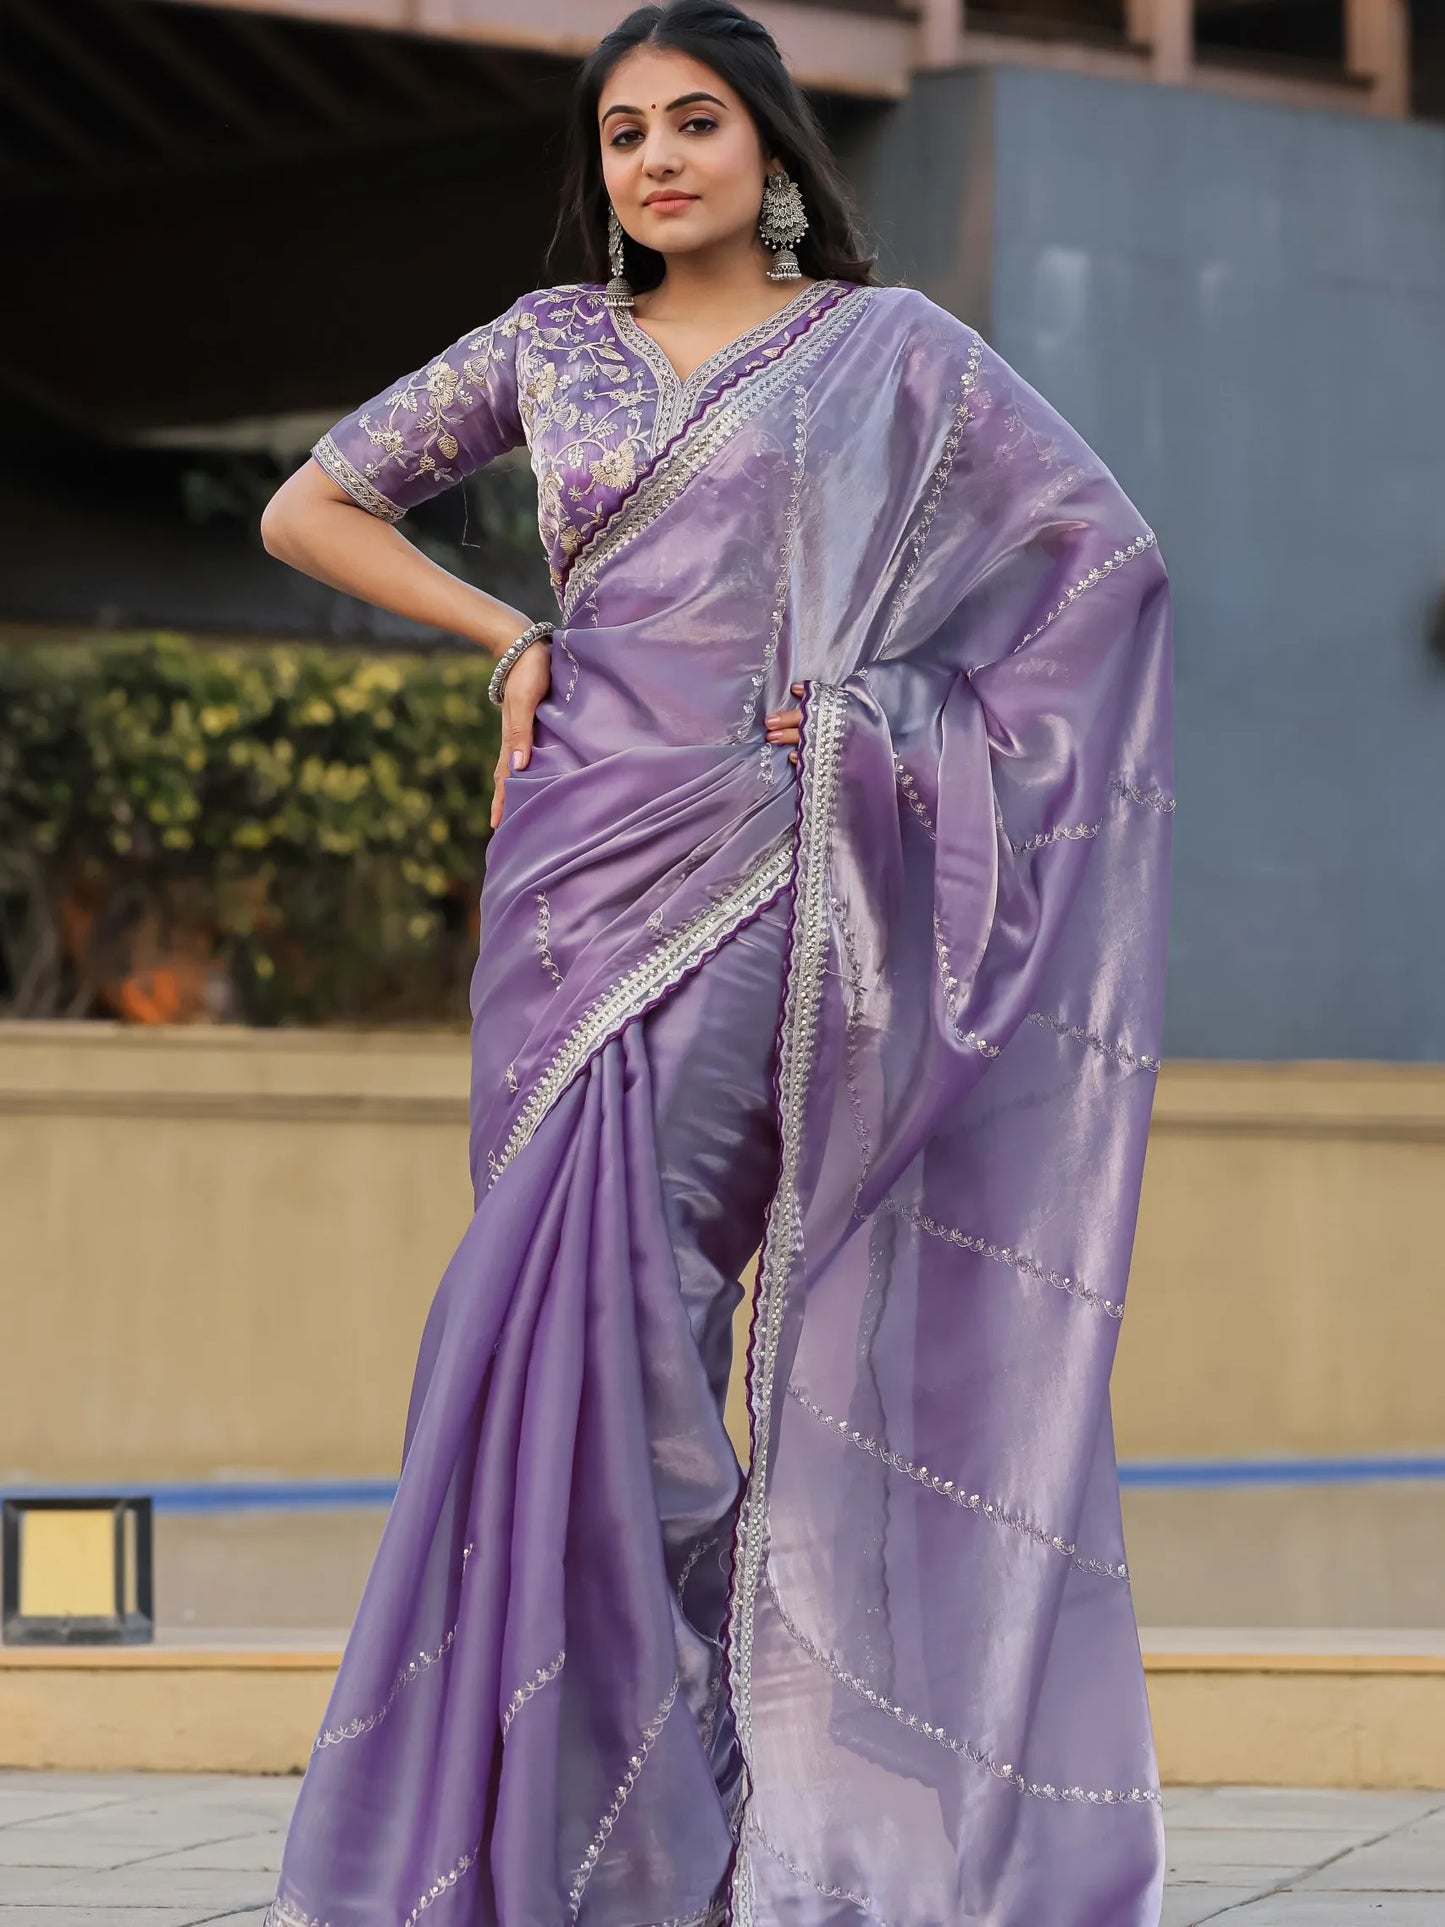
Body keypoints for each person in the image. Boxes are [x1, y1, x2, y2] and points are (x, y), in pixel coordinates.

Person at [257, 1, 1173, 1921]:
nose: (656, 162)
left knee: (655, 1316)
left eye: (693, 124)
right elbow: (310, 501)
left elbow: (1100, 567)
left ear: (769, 145)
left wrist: (881, 720)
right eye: (620, 136)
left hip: (765, 867)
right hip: (566, 873)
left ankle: (701, 1797)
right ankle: (603, 1809)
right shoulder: (548, 345)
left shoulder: (888, 352)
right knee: (535, 1319)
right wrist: (509, 636)